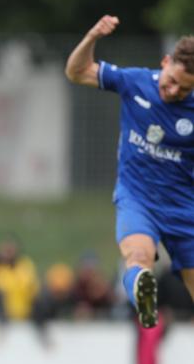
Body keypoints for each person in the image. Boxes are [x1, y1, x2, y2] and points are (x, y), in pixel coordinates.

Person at [65, 16, 194, 329]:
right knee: (138, 257)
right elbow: (77, 71)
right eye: (171, 80)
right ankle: (143, 296)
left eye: (182, 89)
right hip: (138, 199)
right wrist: (92, 36)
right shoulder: (135, 81)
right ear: (165, 62)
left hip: (184, 208)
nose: (173, 90)